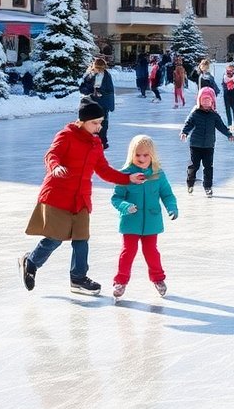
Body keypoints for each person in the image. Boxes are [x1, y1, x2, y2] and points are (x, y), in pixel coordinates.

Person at [18, 99, 146, 296]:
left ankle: (78, 278)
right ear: (83, 121)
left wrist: (127, 178)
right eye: (95, 122)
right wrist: (55, 167)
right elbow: (51, 155)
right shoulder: (66, 135)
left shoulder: (96, 143)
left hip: (81, 198)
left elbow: (103, 170)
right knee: (55, 238)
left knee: (81, 239)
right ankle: (31, 262)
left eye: (100, 122)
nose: (99, 126)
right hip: (59, 194)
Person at [109, 134, 178, 299]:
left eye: (145, 155)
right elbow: (116, 198)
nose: (141, 158)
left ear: (152, 155)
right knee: (128, 251)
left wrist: (172, 208)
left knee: (151, 251)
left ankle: (158, 279)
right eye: (137, 155)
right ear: (131, 154)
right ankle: (121, 281)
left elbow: (167, 194)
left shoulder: (158, 174)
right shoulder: (125, 175)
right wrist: (125, 207)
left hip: (151, 221)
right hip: (131, 222)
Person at [181, 86, 234, 197]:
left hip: (209, 146)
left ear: (212, 102)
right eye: (203, 100)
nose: (206, 103)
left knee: (208, 167)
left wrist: (228, 134)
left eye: (208, 100)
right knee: (194, 165)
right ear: (199, 101)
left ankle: (208, 187)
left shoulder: (214, 115)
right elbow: (188, 124)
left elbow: (221, 126)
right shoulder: (195, 113)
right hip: (195, 145)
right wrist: (184, 132)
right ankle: (190, 183)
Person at [79, 57, 116, 150]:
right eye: (97, 68)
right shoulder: (88, 75)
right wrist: (91, 91)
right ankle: (91, 141)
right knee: (91, 122)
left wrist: (103, 93)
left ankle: (102, 141)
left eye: (101, 69)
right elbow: (82, 88)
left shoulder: (107, 76)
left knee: (103, 123)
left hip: (103, 103)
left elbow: (110, 90)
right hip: (91, 102)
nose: (99, 70)